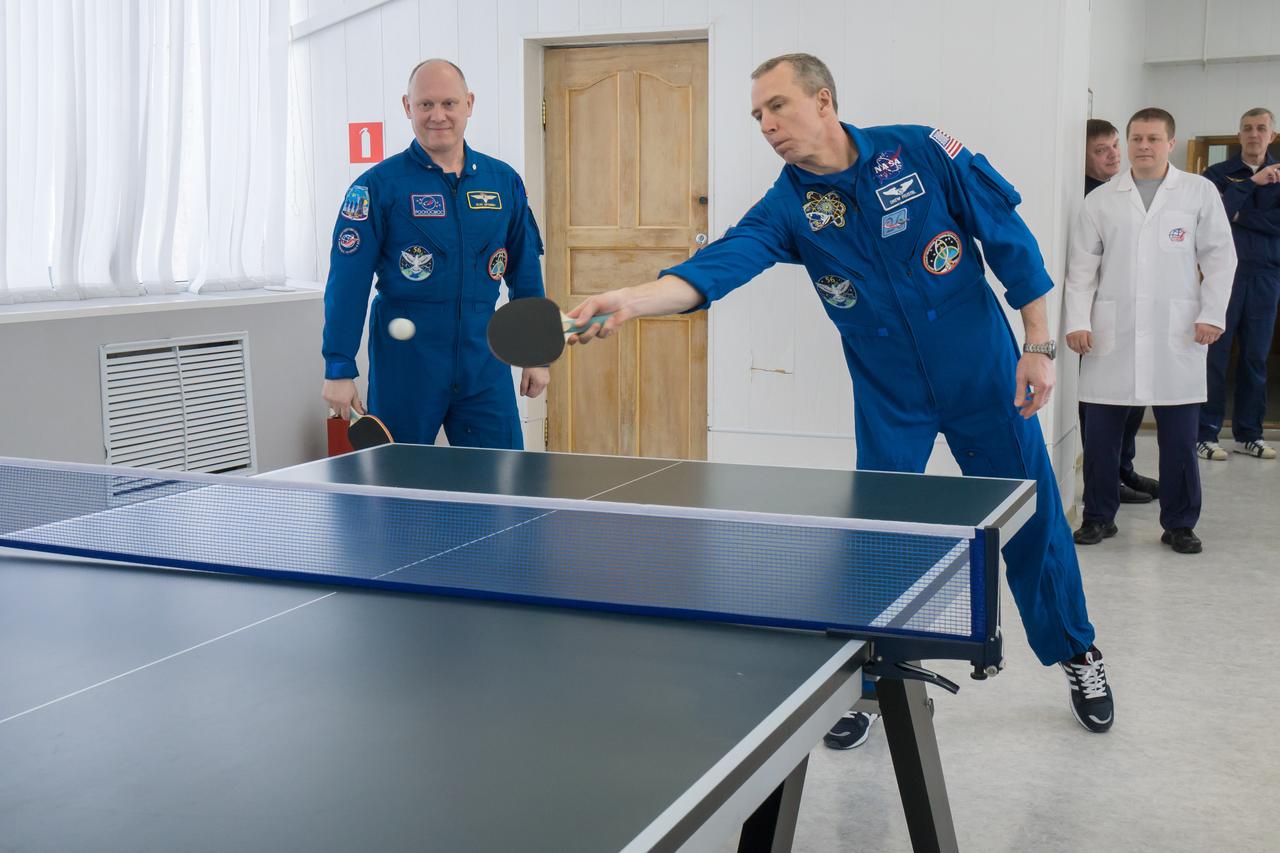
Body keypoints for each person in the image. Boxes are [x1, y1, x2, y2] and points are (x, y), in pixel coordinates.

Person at [566, 53, 1115, 740]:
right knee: (880, 540)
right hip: (891, 396)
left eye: (777, 106)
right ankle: (871, 682)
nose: (766, 125)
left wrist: (1037, 344)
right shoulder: (788, 205)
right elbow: (720, 265)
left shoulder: (920, 149)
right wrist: (631, 299)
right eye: (757, 115)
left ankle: (1077, 650)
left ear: (823, 101)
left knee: (1032, 518)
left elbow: (1009, 241)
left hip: (986, 375)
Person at [321, 59, 548, 447]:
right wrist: (339, 366)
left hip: (484, 363)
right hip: (406, 365)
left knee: (505, 483)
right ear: (408, 107)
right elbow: (348, 283)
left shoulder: (503, 182)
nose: (437, 115)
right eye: (425, 105)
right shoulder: (377, 187)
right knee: (398, 488)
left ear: (469, 104)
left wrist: (535, 353)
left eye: (448, 103)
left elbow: (525, 271)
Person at [1065, 108, 1236, 555]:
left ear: (1170, 143)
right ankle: (1098, 517)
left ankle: (1180, 523)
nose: (1143, 146)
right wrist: (1079, 321)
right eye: (1137, 138)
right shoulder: (1101, 199)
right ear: (1128, 142)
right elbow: (1082, 268)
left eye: (1153, 139)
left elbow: (1221, 257)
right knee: (1100, 435)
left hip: (1177, 331)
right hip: (1111, 332)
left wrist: (1212, 314)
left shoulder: (1198, 192)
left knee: (1179, 438)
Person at [1079, 118, 1160, 511]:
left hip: (1138, 313)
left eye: (1114, 145)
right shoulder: (1089, 199)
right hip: (1098, 316)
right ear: (1083, 159)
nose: (1113, 154)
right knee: (1103, 410)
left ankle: (1124, 468)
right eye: (1101, 150)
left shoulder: (1132, 191)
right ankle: (1108, 480)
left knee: (1135, 399)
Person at [1197, 107, 1280, 461]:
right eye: (1247, 128)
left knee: (1255, 357)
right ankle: (1205, 433)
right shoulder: (1217, 174)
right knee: (1214, 355)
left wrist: (1238, 214)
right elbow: (1208, 218)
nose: (1254, 134)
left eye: (1261, 128)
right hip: (1222, 278)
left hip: (1266, 276)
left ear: (1272, 135)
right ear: (1239, 134)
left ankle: (1250, 433)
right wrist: (1251, 184)